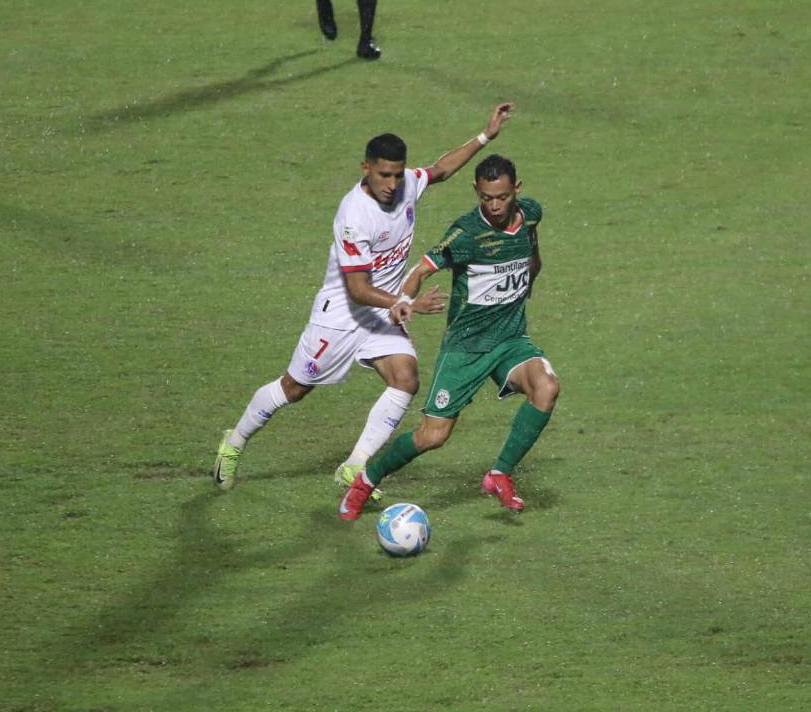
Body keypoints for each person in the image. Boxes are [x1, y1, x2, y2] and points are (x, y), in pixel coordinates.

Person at [214, 103, 516, 499]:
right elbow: (357, 289)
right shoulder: (354, 215)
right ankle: (233, 443)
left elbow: (439, 169)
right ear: (366, 169)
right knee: (294, 388)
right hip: (341, 315)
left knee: (405, 379)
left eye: (396, 174)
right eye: (383, 175)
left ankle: (354, 467)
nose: (392, 183)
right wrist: (408, 302)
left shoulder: (406, 182)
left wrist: (484, 136)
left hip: (382, 314)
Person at [339, 153, 559, 520]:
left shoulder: (531, 213)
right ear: (476, 191)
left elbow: (532, 253)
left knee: (547, 387)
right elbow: (421, 271)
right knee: (433, 436)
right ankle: (366, 480)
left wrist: (530, 278)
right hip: (466, 347)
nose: (494, 205)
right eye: (486, 198)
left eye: (502, 197)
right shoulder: (466, 234)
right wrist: (404, 300)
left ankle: (499, 474)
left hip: (510, 339)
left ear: (516, 190)